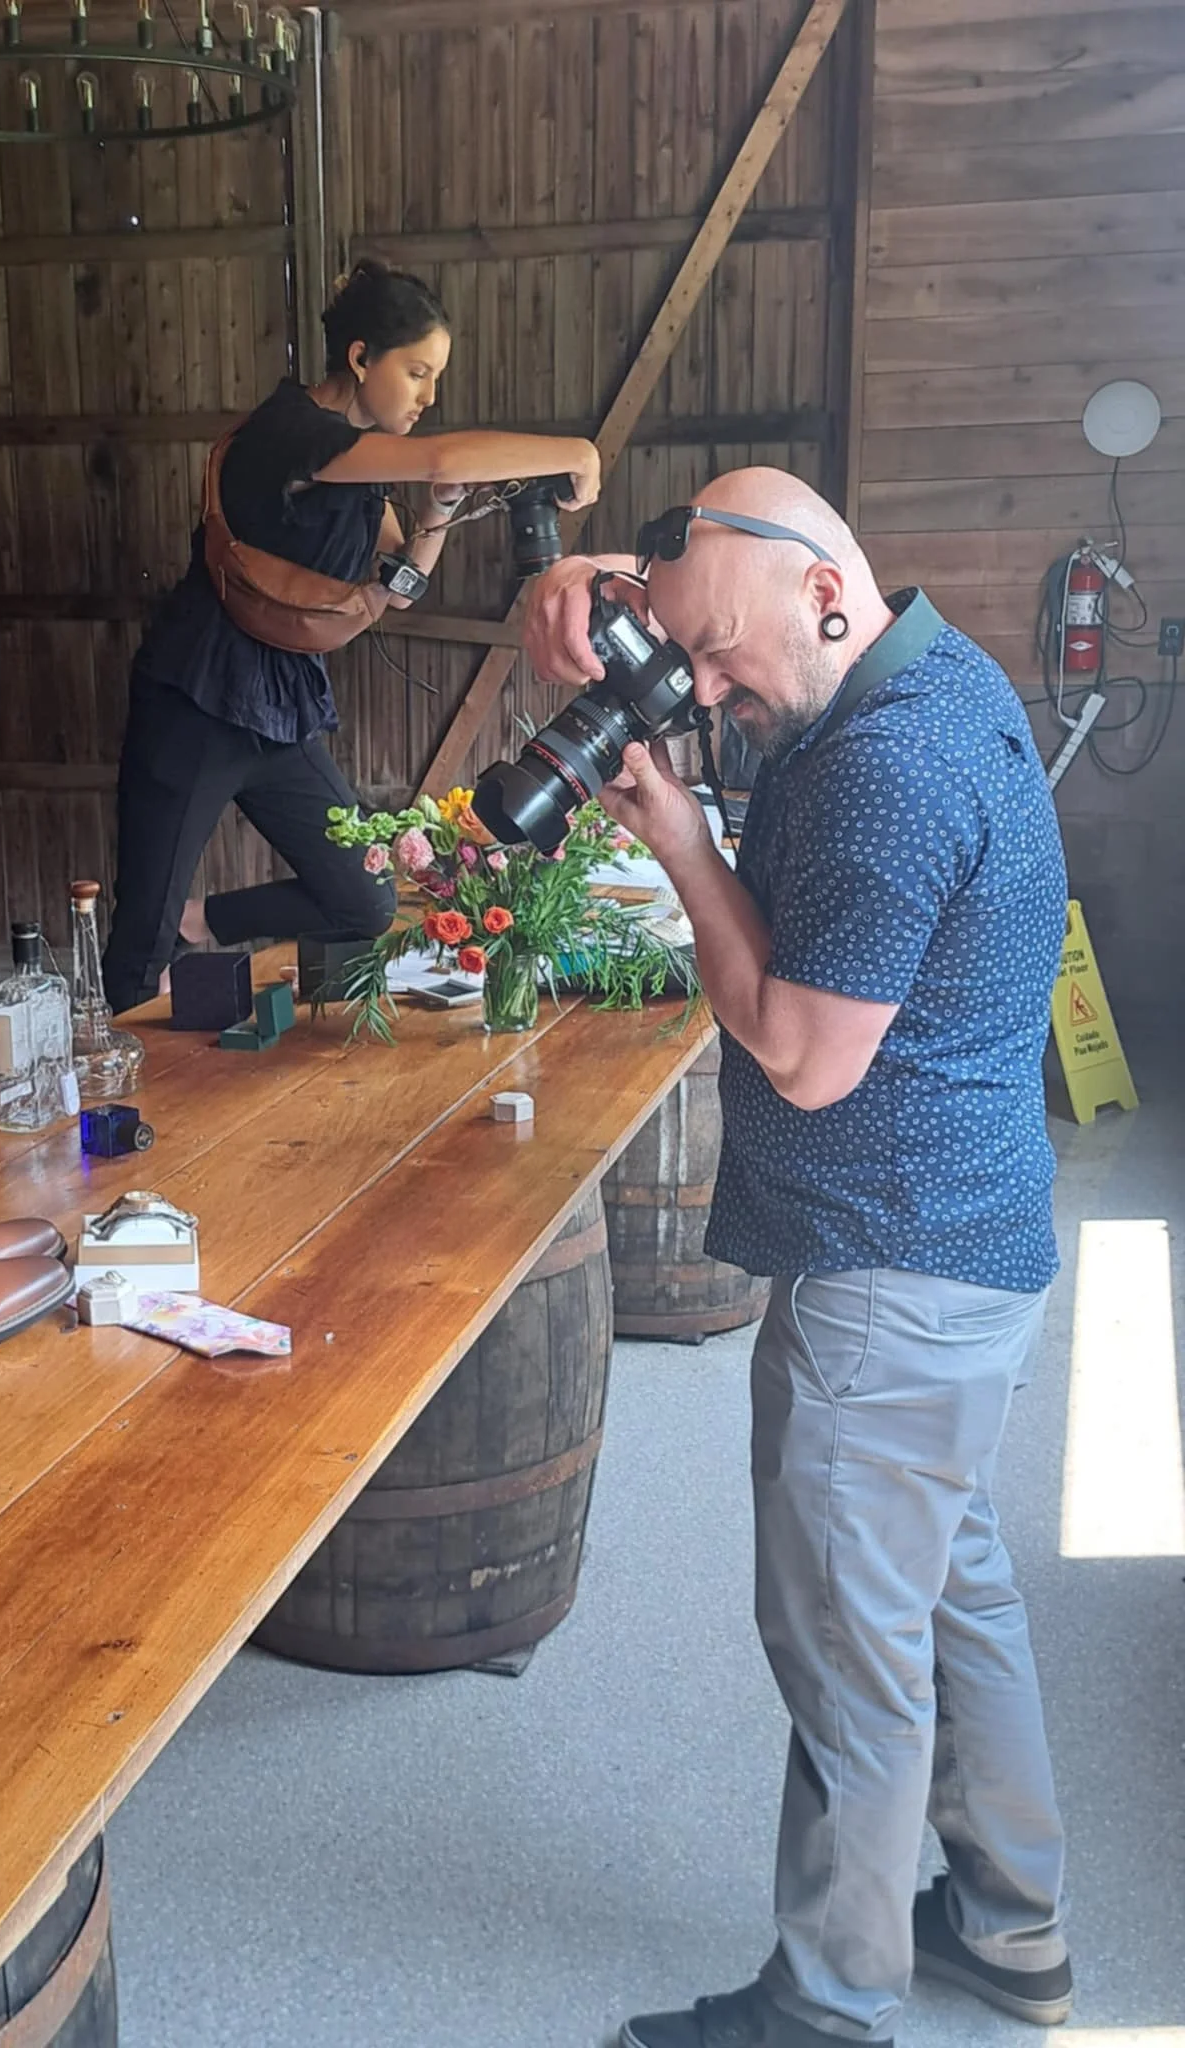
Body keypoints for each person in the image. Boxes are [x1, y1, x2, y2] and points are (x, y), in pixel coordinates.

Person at [523, 469, 1071, 2048]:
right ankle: (1010, 1925)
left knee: (847, 1647)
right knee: (950, 1597)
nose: (702, 693)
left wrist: (685, 847)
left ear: (826, 594)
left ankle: (829, 2005)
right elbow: (723, 577)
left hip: (888, 1276)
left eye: (716, 658)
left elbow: (800, 1054)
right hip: (975, 1250)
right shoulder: (927, 665)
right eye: (684, 654)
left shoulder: (886, 775)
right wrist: (598, 582)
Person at [101, 258, 600, 1014]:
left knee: (364, 898)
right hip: (196, 699)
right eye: (417, 372)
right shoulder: (290, 432)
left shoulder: (357, 463)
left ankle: (200, 921)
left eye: (436, 378)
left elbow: (398, 584)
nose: (429, 396)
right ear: (361, 358)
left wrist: (436, 515)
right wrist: (577, 453)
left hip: (279, 706)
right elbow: (442, 455)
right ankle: (123, 1076)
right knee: (140, 947)